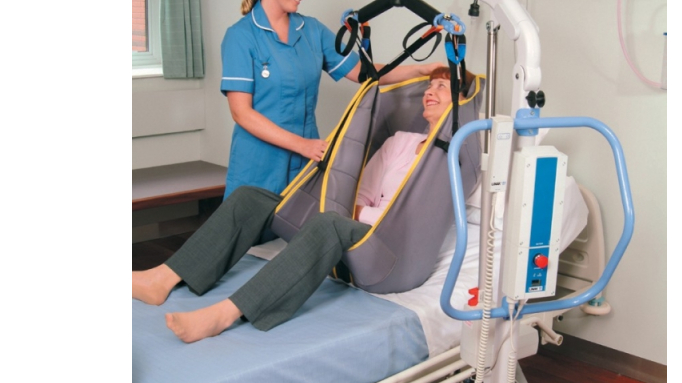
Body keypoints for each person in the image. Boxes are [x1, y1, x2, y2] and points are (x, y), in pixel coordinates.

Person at [133, 68, 469, 343]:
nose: (430, 91)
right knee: (251, 199)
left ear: (462, 100)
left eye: (442, 86)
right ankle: (161, 279)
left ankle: (224, 314)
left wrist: (361, 215)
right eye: (429, 85)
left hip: (390, 259)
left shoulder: (454, 156)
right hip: (356, 235)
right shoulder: (401, 141)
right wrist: (359, 213)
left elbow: (413, 219)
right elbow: (361, 194)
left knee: (329, 223)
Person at [220, 0, 440, 198]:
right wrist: (302, 145)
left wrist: (423, 71)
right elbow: (241, 113)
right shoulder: (241, 36)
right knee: (250, 224)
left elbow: (364, 73)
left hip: (303, 163)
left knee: (298, 223)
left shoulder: (312, 31)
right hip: (258, 165)